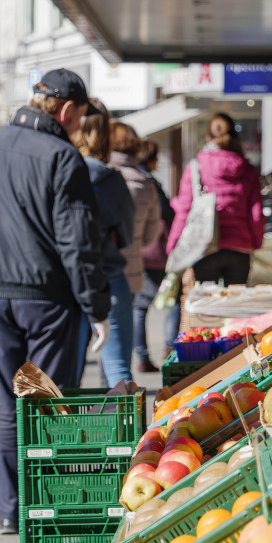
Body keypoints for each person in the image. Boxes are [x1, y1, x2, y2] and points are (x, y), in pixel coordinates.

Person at [0, 69, 110, 535]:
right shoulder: (63, 157)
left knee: (9, 402)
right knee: (45, 402)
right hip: (47, 301)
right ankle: (43, 501)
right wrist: (97, 307)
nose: (80, 126)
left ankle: (9, 506)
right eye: (81, 117)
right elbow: (78, 242)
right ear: (65, 109)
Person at [71, 101, 137, 387]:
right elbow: (127, 234)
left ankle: (65, 432)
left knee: (62, 379)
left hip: (66, 281)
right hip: (108, 275)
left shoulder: (56, 170)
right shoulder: (109, 178)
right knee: (118, 370)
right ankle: (126, 432)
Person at [168, 112, 264, 286]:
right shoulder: (248, 170)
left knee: (207, 306)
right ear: (235, 137)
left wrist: (173, 245)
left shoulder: (195, 167)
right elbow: (256, 213)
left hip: (204, 247)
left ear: (207, 137)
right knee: (235, 306)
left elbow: (184, 211)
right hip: (240, 248)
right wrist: (255, 242)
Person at [107, 125, 162, 372]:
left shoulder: (96, 175)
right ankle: (111, 403)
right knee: (117, 351)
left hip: (92, 270)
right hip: (128, 272)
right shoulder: (145, 184)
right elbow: (151, 235)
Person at [134, 140, 180, 365]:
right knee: (172, 301)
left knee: (140, 306)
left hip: (138, 251)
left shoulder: (127, 179)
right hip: (156, 251)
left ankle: (142, 355)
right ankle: (169, 349)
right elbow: (169, 217)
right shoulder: (150, 183)